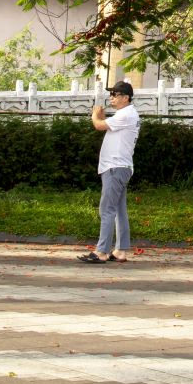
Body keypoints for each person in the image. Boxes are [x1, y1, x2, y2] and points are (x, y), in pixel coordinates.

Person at [80, 80, 139, 264]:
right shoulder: (127, 114)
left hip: (115, 168)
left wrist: (95, 115)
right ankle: (120, 250)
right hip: (119, 167)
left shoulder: (126, 115)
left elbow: (98, 125)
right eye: (111, 94)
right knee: (119, 210)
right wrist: (101, 117)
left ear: (125, 97)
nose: (111, 97)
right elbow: (106, 124)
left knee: (107, 209)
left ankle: (102, 251)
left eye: (115, 94)